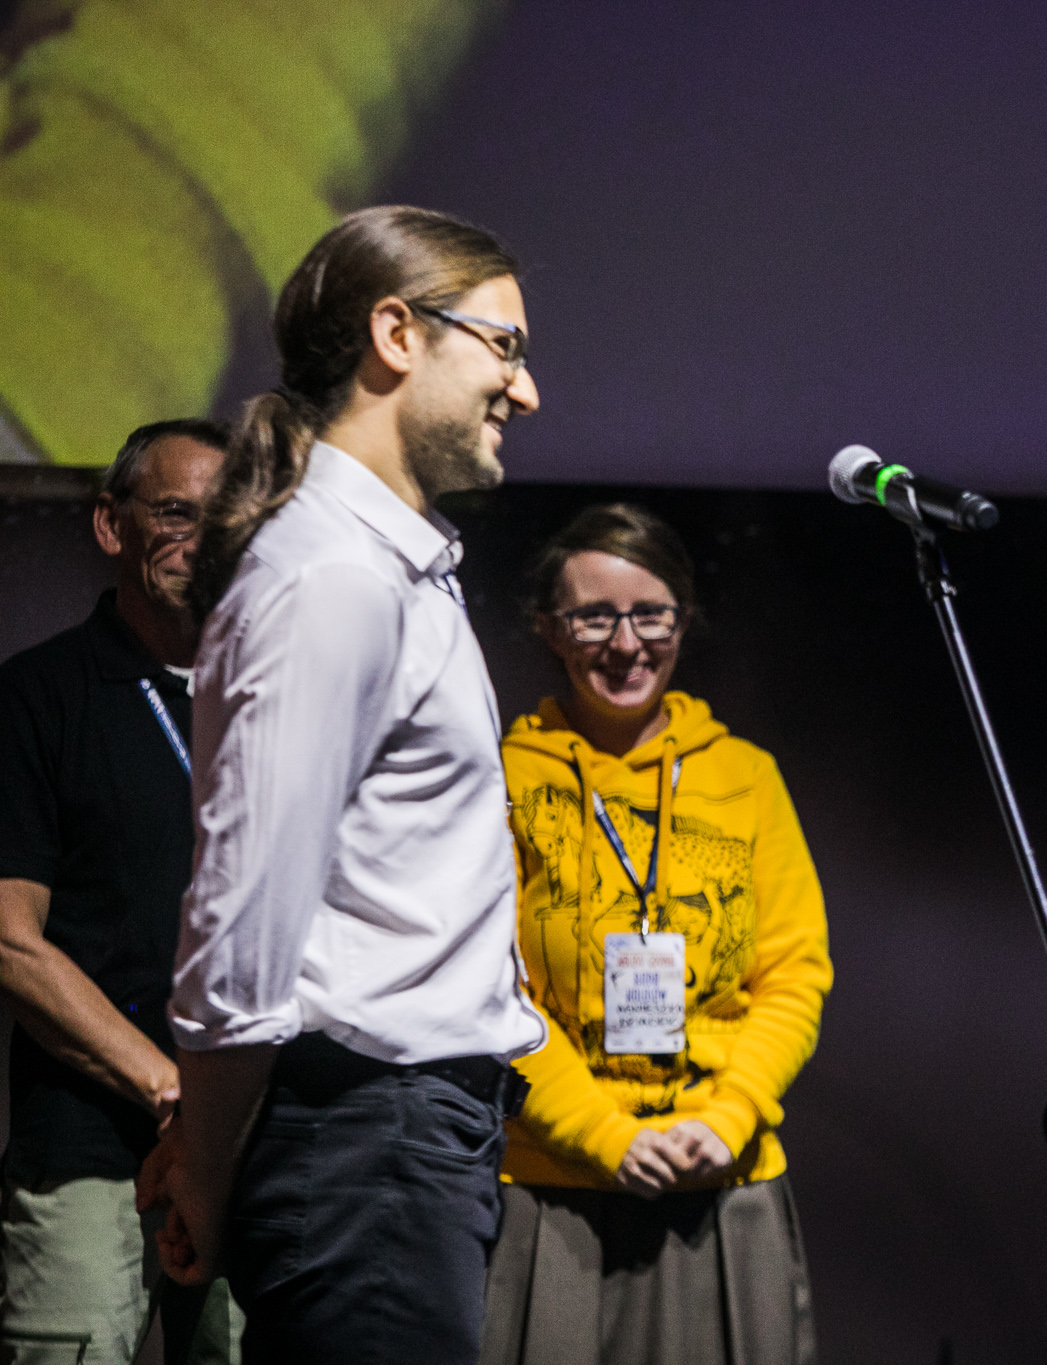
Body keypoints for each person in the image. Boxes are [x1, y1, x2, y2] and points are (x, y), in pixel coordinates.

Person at [134, 205, 549, 1362]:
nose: (525, 391)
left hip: (401, 1142)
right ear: (396, 334)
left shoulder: (391, 569)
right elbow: (245, 917)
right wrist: (209, 1168)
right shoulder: (330, 578)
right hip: (363, 1144)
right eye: (505, 348)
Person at [479, 503, 831, 1365]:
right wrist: (605, 1135)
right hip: (550, 1188)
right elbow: (489, 990)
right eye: (594, 616)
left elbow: (793, 973)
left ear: (683, 619)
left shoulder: (745, 777)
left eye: (650, 614)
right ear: (548, 629)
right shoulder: (501, 780)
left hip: (723, 1178)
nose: (626, 642)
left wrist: (731, 1115)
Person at [0, 420, 241, 1364]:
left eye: (228, 520)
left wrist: (216, 1112)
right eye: (176, 513)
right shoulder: (37, 695)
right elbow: (10, 939)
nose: (203, 540)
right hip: (88, 1148)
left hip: (245, 1146)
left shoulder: (270, 693)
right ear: (112, 524)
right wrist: (171, 1087)